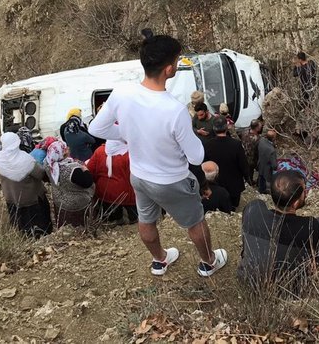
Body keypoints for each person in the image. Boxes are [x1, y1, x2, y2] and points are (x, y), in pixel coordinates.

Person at [89, 34, 228, 277]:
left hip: (139, 175)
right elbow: (196, 157)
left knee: (146, 219)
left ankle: (159, 260)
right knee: (195, 221)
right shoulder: (174, 110)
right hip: (171, 179)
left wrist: (127, 135)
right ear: (168, 69)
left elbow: (96, 129)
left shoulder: (122, 92)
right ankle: (208, 262)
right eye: (176, 60)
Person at [238, 170, 319, 294]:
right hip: (287, 290)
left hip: (249, 280)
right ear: (295, 203)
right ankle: (311, 268)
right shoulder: (309, 226)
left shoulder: (253, 211)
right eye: (304, 191)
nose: (305, 193)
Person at [0, 132, 53, 238]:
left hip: (11, 198)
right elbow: (40, 174)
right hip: (32, 199)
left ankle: (23, 239)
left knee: (20, 224)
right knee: (40, 225)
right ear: (17, 143)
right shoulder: (26, 159)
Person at [44, 141, 95, 228]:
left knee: (65, 225)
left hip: (59, 200)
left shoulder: (48, 164)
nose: (68, 148)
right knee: (79, 227)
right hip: (76, 203)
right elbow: (87, 183)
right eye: (65, 148)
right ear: (62, 154)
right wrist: (85, 169)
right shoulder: (73, 170)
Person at [204, 116, 251, 210]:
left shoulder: (208, 145)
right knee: (233, 205)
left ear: (214, 129)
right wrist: (248, 177)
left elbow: (205, 164)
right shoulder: (236, 144)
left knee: (221, 206)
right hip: (234, 183)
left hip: (216, 183)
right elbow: (243, 164)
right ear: (226, 127)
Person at [88, 140, 138, 224]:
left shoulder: (99, 151)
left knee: (111, 219)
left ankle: (117, 222)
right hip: (126, 194)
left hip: (104, 194)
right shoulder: (130, 154)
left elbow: (90, 171)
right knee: (134, 218)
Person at [257, 129, 278, 194]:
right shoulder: (272, 150)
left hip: (260, 162)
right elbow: (274, 166)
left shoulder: (261, 141)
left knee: (260, 176)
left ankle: (259, 185)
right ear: (273, 138)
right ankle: (262, 190)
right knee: (264, 179)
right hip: (266, 168)